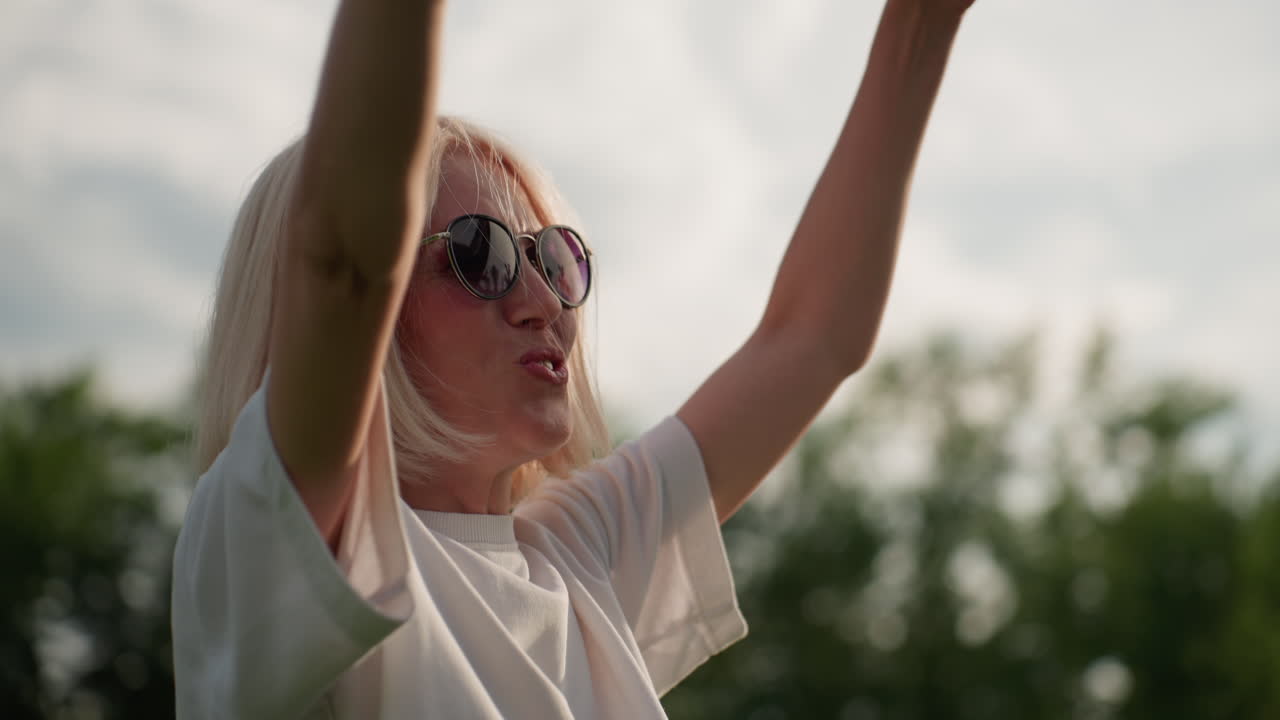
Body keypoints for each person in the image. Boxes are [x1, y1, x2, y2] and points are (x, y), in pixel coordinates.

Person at [171, 0, 978, 717]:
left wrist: (923, 19)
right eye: (479, 256)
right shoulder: (279, 545)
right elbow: (343, 254)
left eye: (552, 258)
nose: (543, 303)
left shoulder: (573, 551)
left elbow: (813, 337)